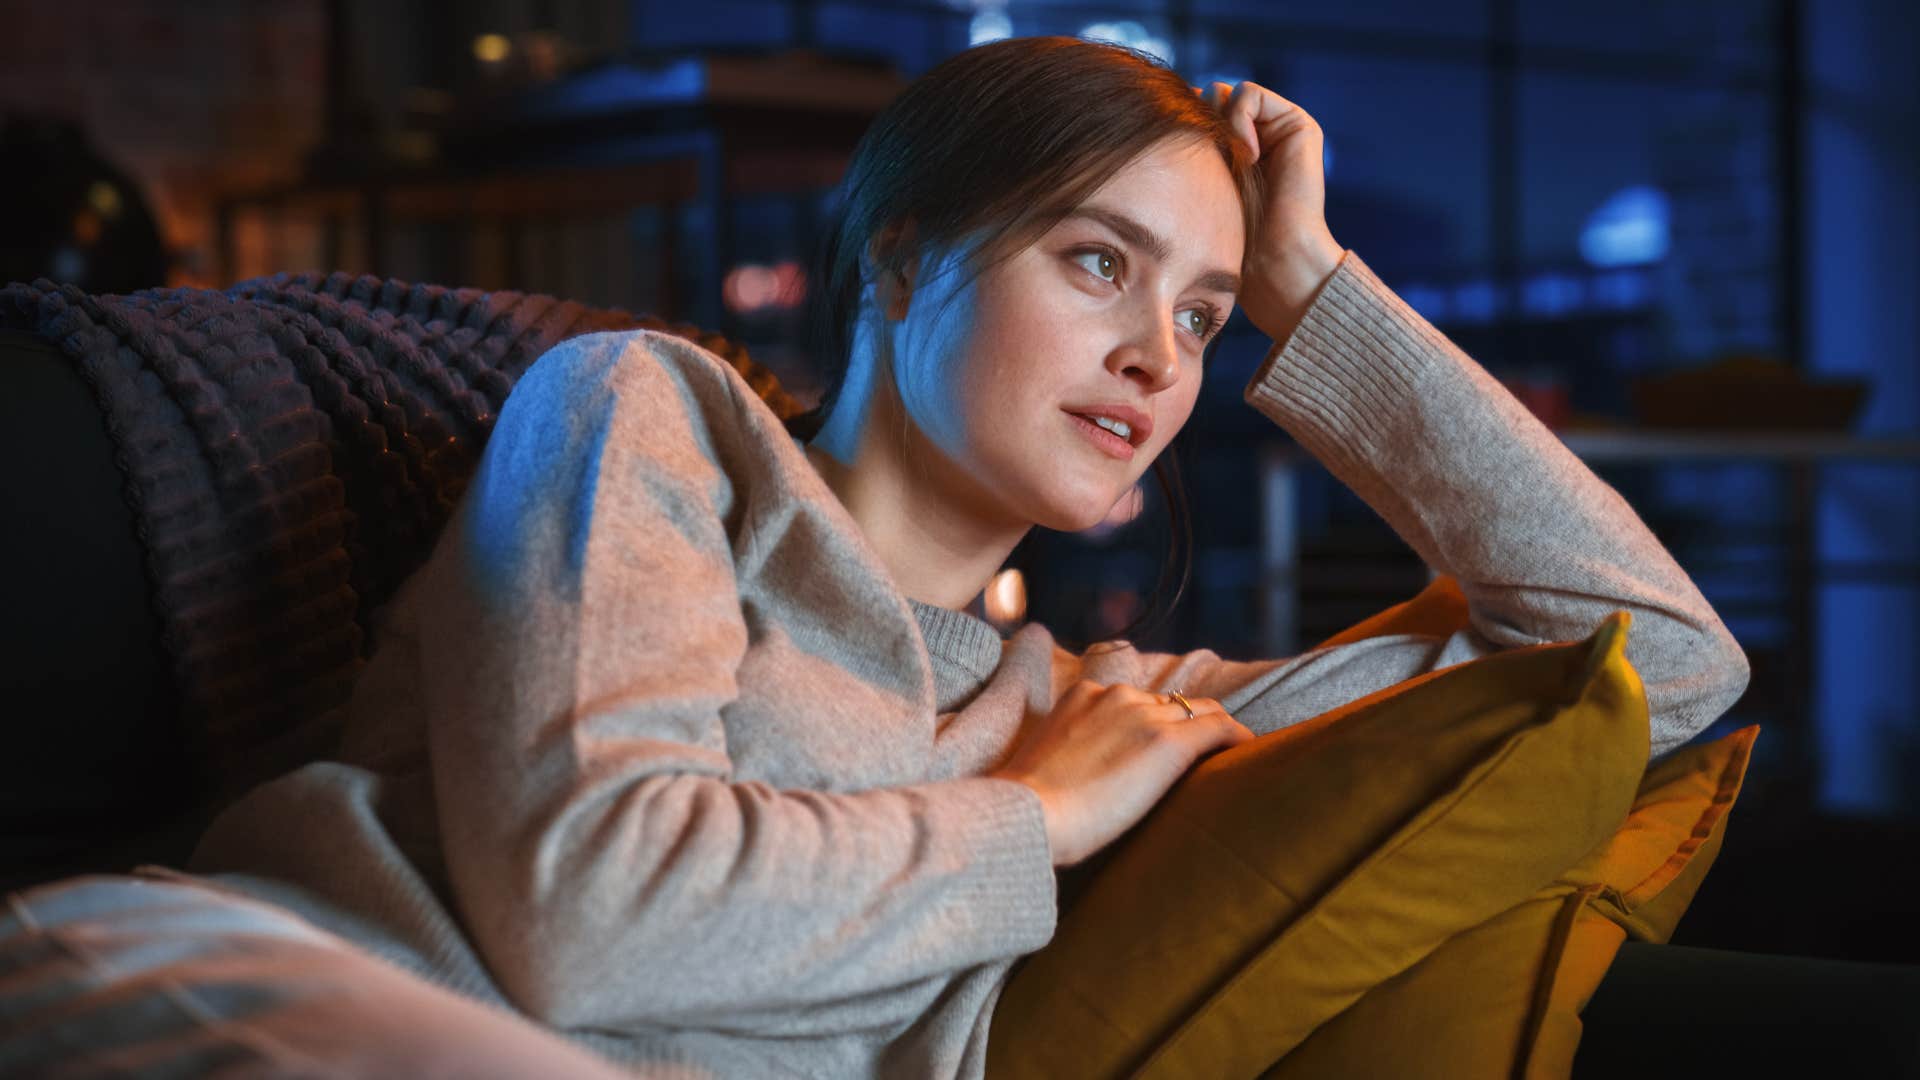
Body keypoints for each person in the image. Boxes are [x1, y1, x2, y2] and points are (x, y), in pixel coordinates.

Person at [0, 36, 1748, 1078]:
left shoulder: (1095, 706)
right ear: (904, 260)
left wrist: (1315, 290)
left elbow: (1655, 663)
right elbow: (593, 917)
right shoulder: (653, 423)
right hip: (237, 999)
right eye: (1097, 263)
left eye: (1205, 313)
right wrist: (1041, 824)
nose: (1162, 354)